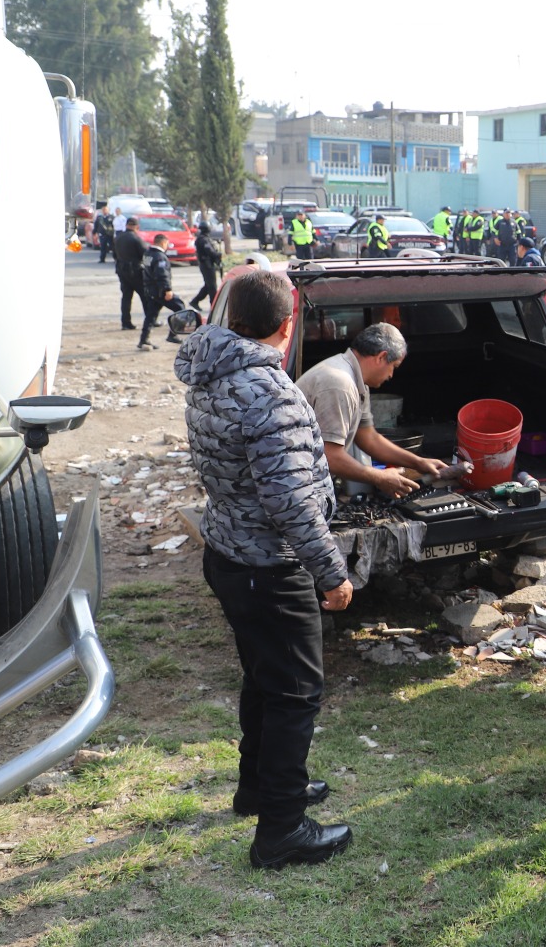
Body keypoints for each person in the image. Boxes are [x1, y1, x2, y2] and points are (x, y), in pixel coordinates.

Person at [175, 270, 354, 870]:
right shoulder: (267, 391)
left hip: (228, 551)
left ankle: (260, 789)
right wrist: (331, 572)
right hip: (269, 568)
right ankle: (282, 830)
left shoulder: (210, 373)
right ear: (287, 325)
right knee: (296, 694)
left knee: (263, 681)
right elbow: (290, 501)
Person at [294, 323, 449, 498]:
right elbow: (329, 455)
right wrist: (379, 477)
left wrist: (419, 463)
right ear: (381, 357)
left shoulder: (357, 381)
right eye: (394, 367)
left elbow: (369, 438)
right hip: (295, 488)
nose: (391, 375)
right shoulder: (340, 383)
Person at [137, 233, 185, 351]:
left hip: (151, 290)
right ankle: (173, 334)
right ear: (163, 242)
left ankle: (143, 339)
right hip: (160, 291)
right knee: (180, 308)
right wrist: (167, 290)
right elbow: (161, 275)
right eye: (167, 244)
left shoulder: (148, 254)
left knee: (151, 315)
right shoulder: (159, 257)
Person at [113, 216, 147, 331]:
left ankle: (126, 322)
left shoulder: (118, 237)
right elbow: (145, 255)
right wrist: (150, 267)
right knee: (145, 296)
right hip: (136, 271)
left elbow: (114, 255)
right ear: (137, 227)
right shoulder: (136, 239)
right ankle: (150, 319)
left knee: (126, 297)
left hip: (122, 271)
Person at [190, 222, 222, 311]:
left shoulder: (204, 238)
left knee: (208, 285)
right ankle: (214, 305)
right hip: (206, 265)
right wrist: (216, 255)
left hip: (207, 264)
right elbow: (209, 251)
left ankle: (195, 301)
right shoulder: (203, 239)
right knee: (212, 286)